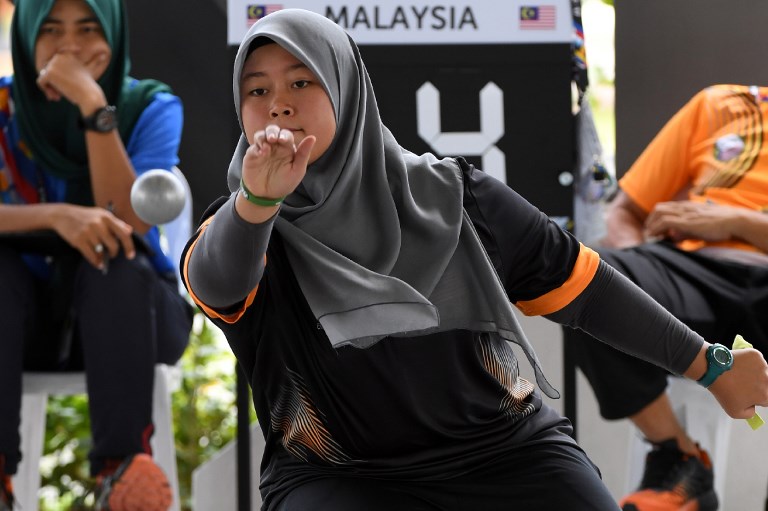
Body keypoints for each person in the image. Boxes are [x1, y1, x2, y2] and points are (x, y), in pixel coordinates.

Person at [182, 10, 768, 511]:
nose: (278, 106)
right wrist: (258, 203)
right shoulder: (241, 228)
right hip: (338, 476)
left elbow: (588, 288)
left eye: (302, 82)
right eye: (256, 91)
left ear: (347, 90)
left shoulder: (457, 197)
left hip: (507, 455)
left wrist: (710, 366)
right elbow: (219, 284)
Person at [0, 0, 192, 509]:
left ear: (112, 34)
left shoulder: (150, 106)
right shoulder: (3, 112)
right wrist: (57, 216)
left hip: (132, 323)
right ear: (25, 38)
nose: (69, 47)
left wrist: (91, 104)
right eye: (51, 30)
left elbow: (129, 219)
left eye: (87, 29)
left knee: (114, 257)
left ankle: (124, 473)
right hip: (19, 330)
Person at [563, 83, 768, 511]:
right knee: (585, 280)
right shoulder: (724, 103)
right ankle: (679, 458)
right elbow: (626, 211)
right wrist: (635, 286)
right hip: (691, 269)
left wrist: (738, 222)